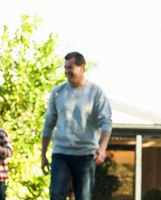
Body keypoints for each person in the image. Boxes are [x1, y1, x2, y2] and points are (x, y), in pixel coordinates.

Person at [41, 52, 113, 200]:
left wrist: (102, 148)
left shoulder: (95, 92)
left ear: (81, 68)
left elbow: (106, 122)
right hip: (61, 153)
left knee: (83, 197)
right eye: (65, 67)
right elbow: (48, 124)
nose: (67, 71)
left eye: (71, 67)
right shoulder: (57, 92)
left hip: (85, 155)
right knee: (55, 194)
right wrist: (43, 155)